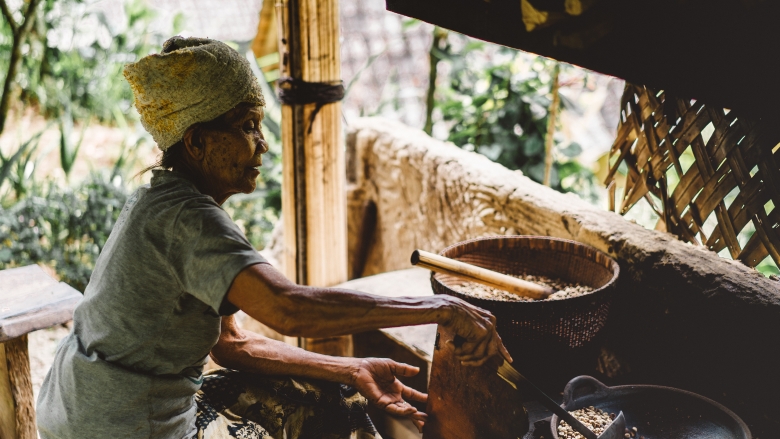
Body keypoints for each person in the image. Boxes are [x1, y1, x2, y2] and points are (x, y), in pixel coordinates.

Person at [37, 36, 511, 439]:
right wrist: (442, 308)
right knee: (333, 414)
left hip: (80, 402)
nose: (262, 144)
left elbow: (231, 345)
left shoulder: (163, 199)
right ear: (196, 142)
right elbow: (287, 306)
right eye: (246, 127)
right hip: (113, 423)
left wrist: (352, 368)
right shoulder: (188, 220)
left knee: (330, 393)